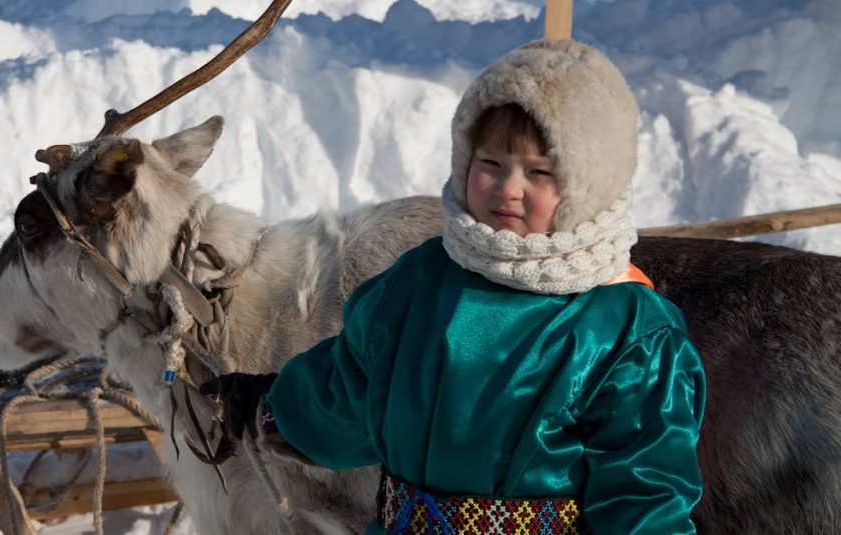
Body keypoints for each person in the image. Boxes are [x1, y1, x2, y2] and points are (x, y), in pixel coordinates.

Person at [202, 39, 705, 535]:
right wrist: (272, 407)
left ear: (587, 183)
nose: (509, 187)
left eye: (539, 172)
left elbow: (646, 498)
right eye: (491, 163)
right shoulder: (419, 283)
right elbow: (350, 389)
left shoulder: (625, 333)